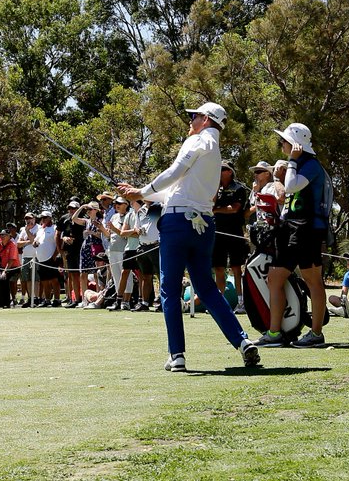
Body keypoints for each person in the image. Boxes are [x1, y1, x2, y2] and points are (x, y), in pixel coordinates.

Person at [118, 101, 260, 371]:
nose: (190, 121)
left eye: (194, 116)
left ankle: (177, 355)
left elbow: (174, 173)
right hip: (203, 225)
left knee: (169, 289)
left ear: (206, 119)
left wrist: (142, 191)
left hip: (177, 223)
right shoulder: (214, 151)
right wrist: (141, 192)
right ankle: (242, 342)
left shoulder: (196, 141)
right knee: (206, 288)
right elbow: (175, 188)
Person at [256, 122, 332, 349]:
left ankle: (316, 334)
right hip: (290, 227)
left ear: (296, 144)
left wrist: (291, 162)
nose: (282, 144)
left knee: (313, 280)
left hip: (308, 227)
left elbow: (291, 187)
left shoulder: (310, 165)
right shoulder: (297, 164)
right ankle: (274, 332)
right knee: (275, 278)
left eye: (285, 141)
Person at [212, 162, 251, 314]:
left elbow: (235, 209)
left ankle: (241, 302)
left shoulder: (239, 188)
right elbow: (210, 203)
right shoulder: (216, 187)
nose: (220, 172)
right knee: (218, 267)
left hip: (234, 232)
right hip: (218, 232)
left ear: (230, 172)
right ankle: (220, 302)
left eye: (223, 169)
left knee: (236, 267)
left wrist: (216, 210)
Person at [32, 212, 60, 307]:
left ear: (50, 218)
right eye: (42, 218)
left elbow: (58, 243)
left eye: (45, 218)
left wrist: (55, 255)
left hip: (51, 258)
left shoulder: (55, 228)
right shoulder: (40, 229)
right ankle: (47, 300)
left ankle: (57, 299)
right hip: (40, 259)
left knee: (54, 280)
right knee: (44, 281)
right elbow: (36, 241)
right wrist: (35, 243)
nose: (43, 219)